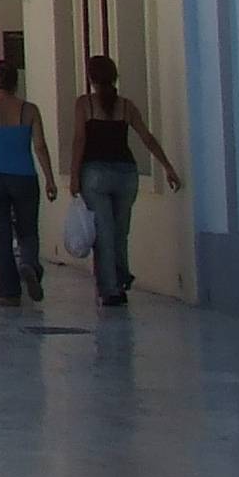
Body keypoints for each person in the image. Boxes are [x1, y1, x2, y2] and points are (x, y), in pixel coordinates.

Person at [68, 55, 183, 309]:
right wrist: (167, 167)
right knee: (121, 232)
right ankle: (120, 279)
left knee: (104, 233)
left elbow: (79, 140)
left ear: (91, 78)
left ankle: (109, 288)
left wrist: (74, 175)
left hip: (95, 173)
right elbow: (147, 138)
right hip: (126, 173)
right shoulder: (126, 107)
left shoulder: (84, 104)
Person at [0, 59, 57, 307]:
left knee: (1, 232)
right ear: (17, 82)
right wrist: (50, 179)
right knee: (28, 229)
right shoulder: (30, 110)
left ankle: (9, 290)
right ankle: (29, 264)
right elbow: (39, 146)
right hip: (24, 175)